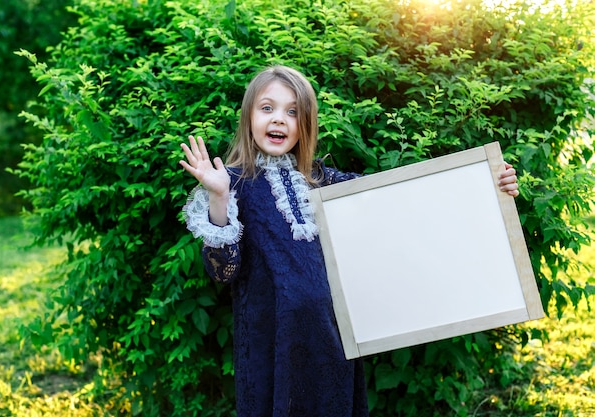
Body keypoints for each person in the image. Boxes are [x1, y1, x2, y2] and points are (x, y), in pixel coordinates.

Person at [179, 65, 519, 417]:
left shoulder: (325, 182)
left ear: (306, 123)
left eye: (292, 111)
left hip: (330, 343)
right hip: (272, 345)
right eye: (267, 108)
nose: (279, 119)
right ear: (249, 115)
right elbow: (224, 271)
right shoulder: (233, 182)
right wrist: (218, 197)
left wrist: (489, 184)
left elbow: (400, 201)